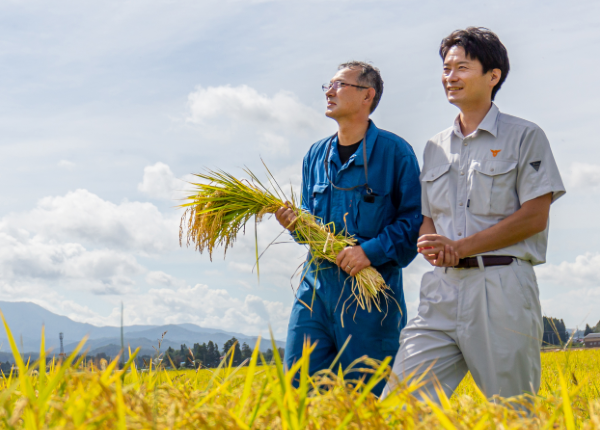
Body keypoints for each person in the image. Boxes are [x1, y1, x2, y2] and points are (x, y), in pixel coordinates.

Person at [383, 27, 566, 402]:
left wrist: (462, 246)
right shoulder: (434, 147)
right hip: (441, 289)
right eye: (446, 68)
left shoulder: (524, 135)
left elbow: (534, 216)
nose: (450, 77)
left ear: (493, 76)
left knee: (514, 412)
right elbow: (429, 215)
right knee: (401, 406)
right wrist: (431, 242)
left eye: (462, 67)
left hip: (500, 287)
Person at [276, 61, 422, 396]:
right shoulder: (315, 156)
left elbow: (414, 222)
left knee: (367, 399)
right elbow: (311, 226)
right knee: (300, 395)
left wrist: (368, 252)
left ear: (367, 95)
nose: (329, 92)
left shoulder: (395, 153)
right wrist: (296, 225)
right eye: (327, 85)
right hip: (314, 292)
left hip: (369, 299)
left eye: (339, 85)